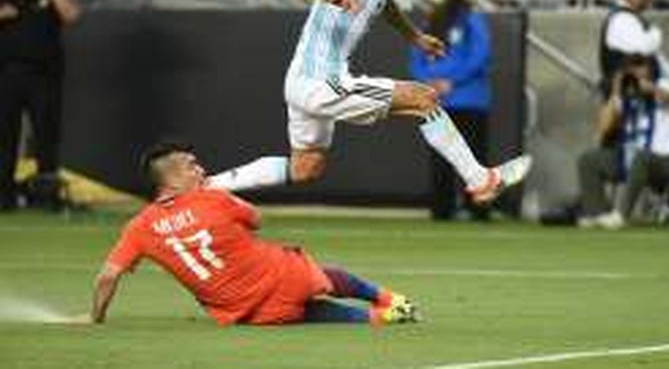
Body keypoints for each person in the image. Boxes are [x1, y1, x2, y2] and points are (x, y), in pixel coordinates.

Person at [209, 0, 532, 207]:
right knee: (424, 99)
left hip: (304, 81)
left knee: (305, 167)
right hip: (321, 81)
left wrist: (415, 36)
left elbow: (385, 3)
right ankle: (480, 179)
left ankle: (206, 188)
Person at [80, 142, 419, 326]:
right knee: (322, 275)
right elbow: (256, 220)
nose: (201, 169)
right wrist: (226, 195)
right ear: (170, 180)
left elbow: (107, 277)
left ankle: (380, 317)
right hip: (283, 276)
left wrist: (97, 318)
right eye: (191, 165)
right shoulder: (214, 197)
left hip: (243, 312)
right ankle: (388, 299)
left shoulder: (139, 227)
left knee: (305, 314)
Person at [0, 0, 80, 211]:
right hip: (9, 73)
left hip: (43, 76)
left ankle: (46, 195)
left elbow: (71, 16)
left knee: (46, 135)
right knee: (5, 136)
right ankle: (4, 196)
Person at [409, 0, 492, 221]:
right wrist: (452, 81)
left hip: (437, 100)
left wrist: (429, 82)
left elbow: (416, 57)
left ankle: (441, 209)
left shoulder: (432, 20)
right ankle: (476, 209)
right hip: (469, 99)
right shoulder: (472, 20)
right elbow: (480, 56)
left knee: (442, 155)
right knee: (473, 156)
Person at [577, 55, 669, 229]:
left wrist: (651, 88)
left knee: (642, 157)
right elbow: (603, 127)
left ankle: (621, 215)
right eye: (631, 67)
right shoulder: (626, 92)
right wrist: (615, 91)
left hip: (664, 161)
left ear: (649, 68)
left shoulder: (661, 84)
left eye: (640, 65)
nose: (636, 70)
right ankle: (597, 214)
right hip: (629, 159)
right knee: (588, 160)